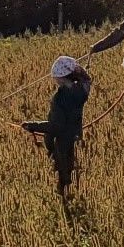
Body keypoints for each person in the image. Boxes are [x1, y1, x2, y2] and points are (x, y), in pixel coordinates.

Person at [23, 55, 92, 196]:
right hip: (75, 136)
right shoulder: (82, 90)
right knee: (74, 170)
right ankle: (75, 196)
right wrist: (77, 69)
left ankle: (66, 200)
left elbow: (56, 126)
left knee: (64, 175)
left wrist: (33, 126)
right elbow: (86, 79)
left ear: (59, 78)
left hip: (62, 143)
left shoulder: (59, 99)